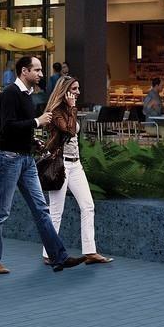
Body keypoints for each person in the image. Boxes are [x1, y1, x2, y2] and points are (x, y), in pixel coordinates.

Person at [0, 55, 77, 274]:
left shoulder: (27, 95)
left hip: (25, 158)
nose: (41, 74)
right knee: (1, 212)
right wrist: (37, 121)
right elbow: (6, 127)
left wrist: (32, 139)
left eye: (41, 70)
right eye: (37, 70)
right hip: (8, 158)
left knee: (41, 209)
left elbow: (18, 126)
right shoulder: (10, 94)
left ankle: (58, 257)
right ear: (24, 71)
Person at [40, 75, 112, 267]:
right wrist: (71, 109)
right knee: (56, 211)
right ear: (65, 91)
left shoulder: (71, 109)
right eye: (74, 89)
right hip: (60, 165)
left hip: (76, 164)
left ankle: (90, 251)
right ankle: (49, 253)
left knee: (88, 205)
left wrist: (72, 109)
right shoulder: (56, 111)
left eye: (78, 89)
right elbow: (69, 131)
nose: (78, 92)